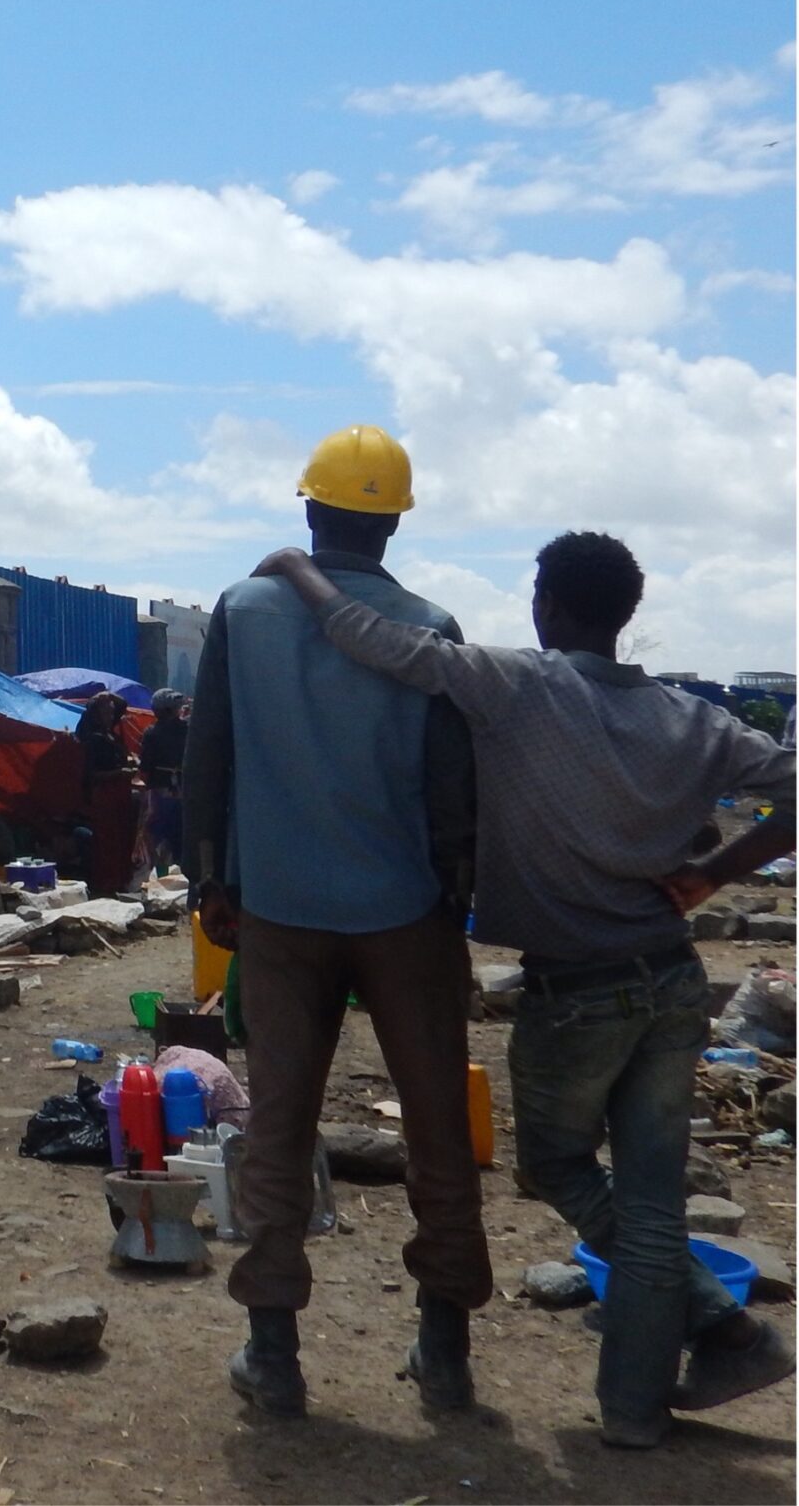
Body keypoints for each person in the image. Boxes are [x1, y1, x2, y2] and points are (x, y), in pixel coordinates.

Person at [254, 530, 798, 1447]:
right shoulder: (693, 722)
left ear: (546, 607)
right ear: (625, 615)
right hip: (673, 984)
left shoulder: (519, 686)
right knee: (653, 1201)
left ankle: (722, 1323)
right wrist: (717, 872)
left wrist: (295, 567)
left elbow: (375, 639)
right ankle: (639, 1406)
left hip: (576, 989)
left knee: (555, 1168)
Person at [182, 423, 487, 1420]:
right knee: (437, 1126)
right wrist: (452, 901)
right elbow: (454, 786)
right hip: (406, 915)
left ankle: (273, 1353)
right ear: (393, 523)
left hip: (279, 911)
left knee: (278, 1124)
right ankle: (444, 1350)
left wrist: (210, 881)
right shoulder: (431, 625)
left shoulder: (244, 610)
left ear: (309, 509)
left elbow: (207, 759)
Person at [74, 691, 143, 895]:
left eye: (112, 713)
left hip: (121, 793)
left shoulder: (113, 735)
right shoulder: (93, 740)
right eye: (106, 712)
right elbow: (92, 774)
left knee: (125, 838)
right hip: (105, 794)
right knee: (108, 841)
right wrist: (119, 772)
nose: (110, 716)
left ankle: (122, 881)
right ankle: (106, 885)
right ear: (96, 715)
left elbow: (122, 705)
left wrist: (108, 695)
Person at [140, 689, 191, 874]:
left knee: (156, 834)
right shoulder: (189, 729)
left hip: (160, 791)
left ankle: (160, 873)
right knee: (181, 834)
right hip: (185, 789)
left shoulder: (152, 733)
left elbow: (145, 768)